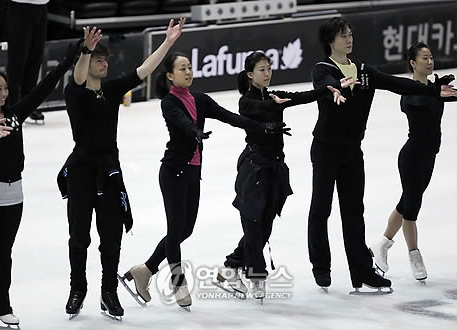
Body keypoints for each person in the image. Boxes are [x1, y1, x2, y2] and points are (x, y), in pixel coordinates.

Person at [122, 52, 288, 310]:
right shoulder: (169, 102)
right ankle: (179, 284)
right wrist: (195, 131)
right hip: (173, 172)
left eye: (189, 67)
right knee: (176, 231)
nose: (188, 72)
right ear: (170, 76)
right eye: (182, 69)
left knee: (185, 230)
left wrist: (263, 127)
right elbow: (181, 122)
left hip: (192, 173)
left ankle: (145, 270)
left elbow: (231, 117)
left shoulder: (200, 99)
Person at [307, 17, 457, 293]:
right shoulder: (322, 69)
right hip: (326, 149)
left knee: (354, 211)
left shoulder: (364, 70)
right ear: (331, 40)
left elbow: (399, 84)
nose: (349, 39)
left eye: (350, 34)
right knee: (321, 209)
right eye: (343, 36)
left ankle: (362, 271)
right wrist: (335, 88)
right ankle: (321, 267)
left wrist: (432, 89)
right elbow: (325, 83)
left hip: (353, 150)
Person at [57, 19, 186, 319]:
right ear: (86, 62)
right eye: (98, 60)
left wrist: (168, 42)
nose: (104, 64)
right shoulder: (74, 93)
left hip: (109, 170)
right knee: (79, 236)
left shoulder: (113, 89)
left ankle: (108, 292)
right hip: (81, 170)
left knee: (111, 236)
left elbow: (144, 70)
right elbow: (77, 78)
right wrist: (86, 51)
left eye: (105, 60)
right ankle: (78, 289)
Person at [217, 51, 349, 300]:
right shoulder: (246, 101)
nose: (267, 74)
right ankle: (256, 275)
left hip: (275, 168)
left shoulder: (275, 95)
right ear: (250, 74)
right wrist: (272, 106)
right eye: (261, 70)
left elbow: (303, 97)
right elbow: (256, 108)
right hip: (254, 169)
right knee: (255, 225)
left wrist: (330, 87)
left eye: (269, 68)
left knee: (265, 225)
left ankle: (231, 266)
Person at [0, 40, 81, 328]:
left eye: (5, 88)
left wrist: (70, 58)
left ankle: (1, 306)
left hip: (14, 194)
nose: (5, 93)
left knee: (4, 254)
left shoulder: (16, 115)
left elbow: (44, 87)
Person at [371, 42, 456, 282]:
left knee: (406, 201)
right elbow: (419, 101)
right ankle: (414, 254)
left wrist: (438, 90)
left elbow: (445, 96)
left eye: (431, 58)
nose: (430, 62)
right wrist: (436, 91)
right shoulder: (409, 91)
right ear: (412, 63)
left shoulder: (435, 89)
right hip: (411, 157)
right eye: (424, 58)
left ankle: (383, 243)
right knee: (412, 207)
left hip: (430, 156)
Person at [7, 0, 50, 123]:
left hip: (42, 6)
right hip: (21, 5)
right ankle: (12, 106)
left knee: (35, 58)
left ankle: (29, 105)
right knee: (18, 58)